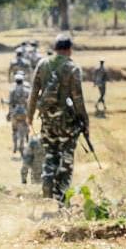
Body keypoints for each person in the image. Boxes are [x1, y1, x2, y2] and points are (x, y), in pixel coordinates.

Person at [26, 34, 89, 202]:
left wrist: (29, 116)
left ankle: (47, 181)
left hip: (47, 120)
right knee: (66, 159)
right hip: (67, 123)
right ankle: (62, 199)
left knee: (51, 153)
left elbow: (33, 93)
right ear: (69, 50)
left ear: (55, 49)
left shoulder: (42, 64)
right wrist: (85, 122)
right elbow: (78, 99)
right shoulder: (72, 68)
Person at [6, 72, 31, 155]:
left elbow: (10, 103)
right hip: (24, 112)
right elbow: (29, 103)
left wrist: (9, 113)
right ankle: (22, 145)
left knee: (14, 130)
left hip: (15, 113)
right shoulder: (27, 91)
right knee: (24, 130)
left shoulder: (12, 91)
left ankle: (15, 145)